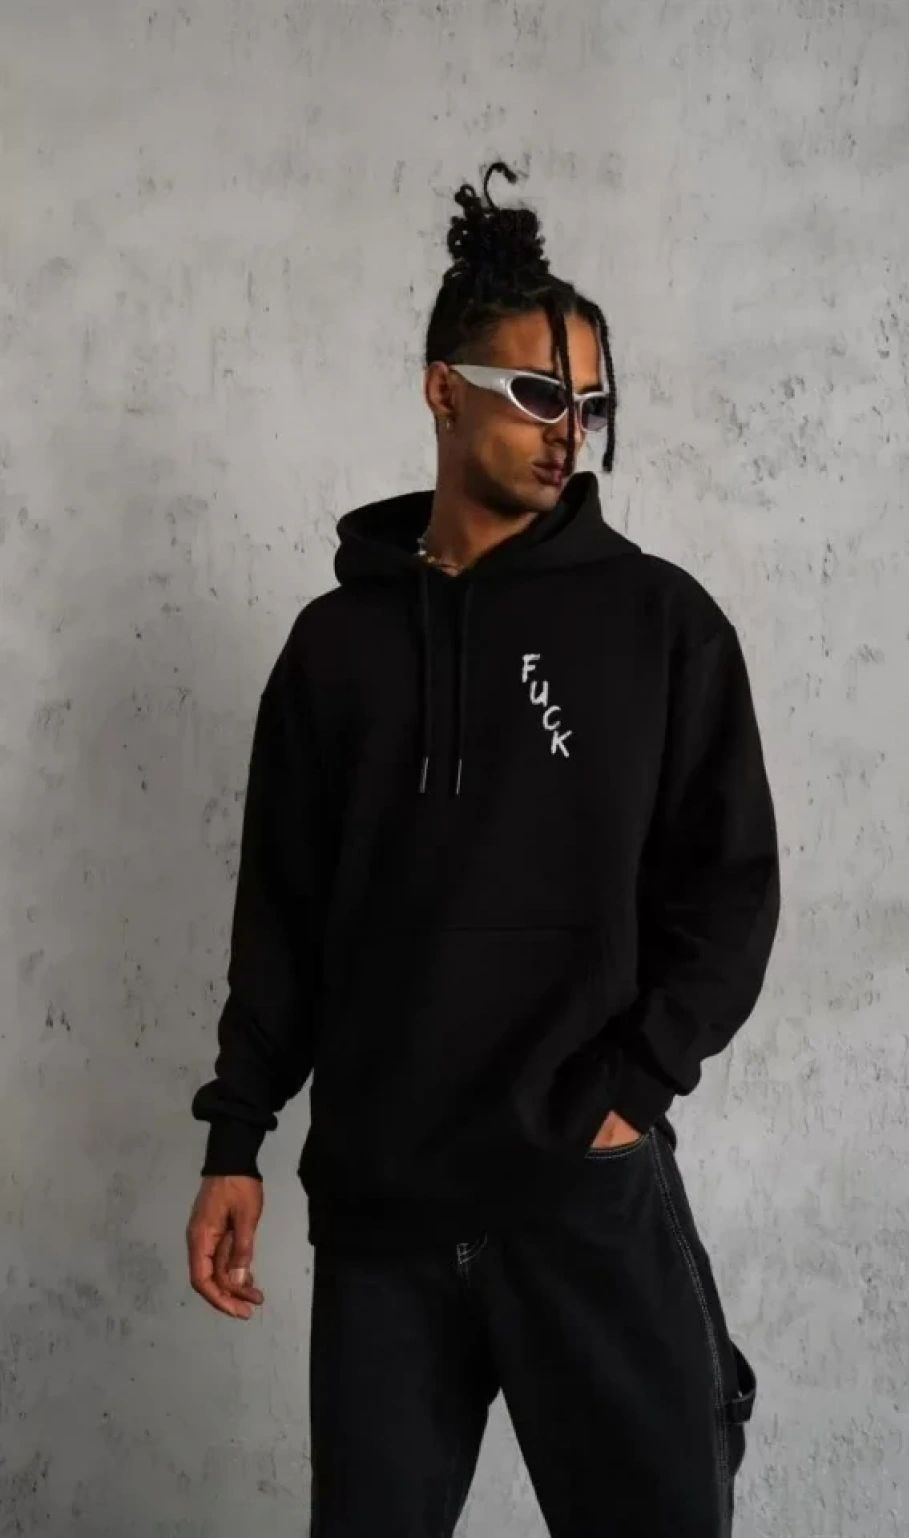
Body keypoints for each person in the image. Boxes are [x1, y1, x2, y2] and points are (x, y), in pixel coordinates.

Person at [186, 159, 781, 1537]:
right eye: (536, 394)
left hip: (583, 1197)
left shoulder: (661, 627)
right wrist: (235, 1139)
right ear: (440, 389)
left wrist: (630, 1091)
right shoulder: (335, 648)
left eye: (590, 405)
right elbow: (281, 918)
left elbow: (730, 894)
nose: (569, 431)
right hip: (384, 1217)